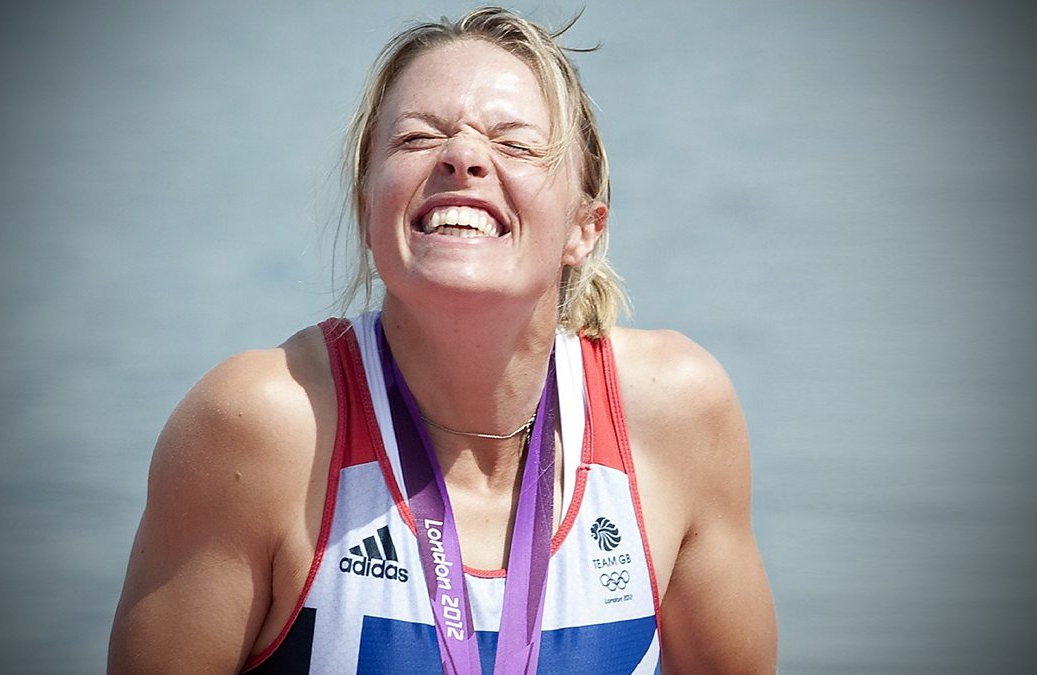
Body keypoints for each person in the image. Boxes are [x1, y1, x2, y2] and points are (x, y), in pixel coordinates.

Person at [108, 7, 776, 674]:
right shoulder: (259, 426)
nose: (462, 157)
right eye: (417, 139)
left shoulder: (674, 415)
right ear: (368, 211)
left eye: (515, 144)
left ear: (585, 227)